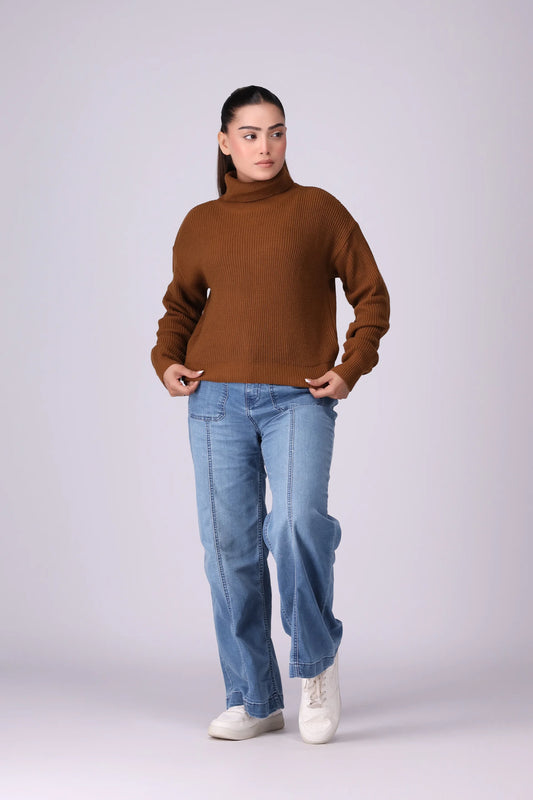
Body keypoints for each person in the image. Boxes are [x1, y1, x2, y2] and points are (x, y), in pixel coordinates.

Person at [151, 85, 390, 744]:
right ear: (225, 142)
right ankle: (255, 698)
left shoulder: (318, 211)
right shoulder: (201, 222)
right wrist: (166, 359)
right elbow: (180, 305)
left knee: (295, 525)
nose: (266, 146)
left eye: (276, 132)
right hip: (215, 402)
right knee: (228, 550)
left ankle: (315, 663)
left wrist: (350, 366)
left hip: (297, 398)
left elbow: (370, 296)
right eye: (251, 134)